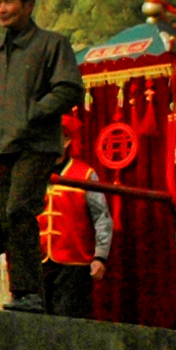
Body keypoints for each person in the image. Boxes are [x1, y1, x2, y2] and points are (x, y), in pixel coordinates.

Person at [0, 0, 84, 314]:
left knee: (20, 209)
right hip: (2, 146)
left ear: (28, 5)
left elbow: (69, 88)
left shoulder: (52, 44)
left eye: (8, 2)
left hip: (37, 143)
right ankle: (23, 292)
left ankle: (30, 293)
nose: (2, 9)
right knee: (8, 219)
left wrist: (34, 112)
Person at [36, 109, 112, 320]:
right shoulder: (33, 174)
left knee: (68, 320)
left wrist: (100, 256)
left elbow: (101, 217)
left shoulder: (85, 174)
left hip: (74, 262)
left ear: (67, 140)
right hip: (39, 260)